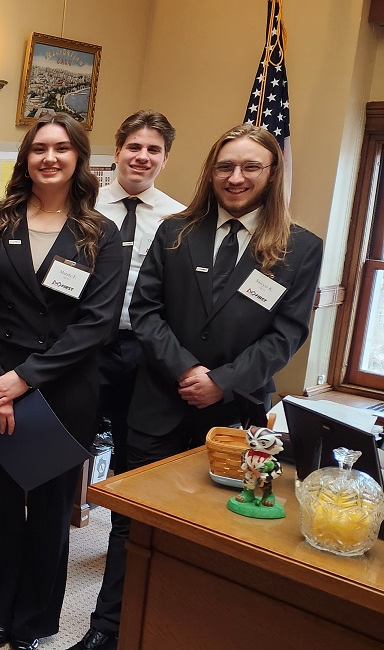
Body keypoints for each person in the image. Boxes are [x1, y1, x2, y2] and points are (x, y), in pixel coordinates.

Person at [108, 124, 322, 645]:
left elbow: (285, 336)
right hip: (158, 403)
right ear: (211, 171)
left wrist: (220, 382)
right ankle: (107, 629)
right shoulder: (177, 230)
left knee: (217, 535)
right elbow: (146, 311)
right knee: (131, 530)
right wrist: (186, 370)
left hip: (235, 418)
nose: (236, 177)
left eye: (251, 167)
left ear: (272, 175)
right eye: (226, 166)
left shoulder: (299, 247)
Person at [0, 112, 123, 650]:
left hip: (64, 389)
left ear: (78, 158)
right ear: (25, 158)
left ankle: (34, 621)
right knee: (0, 507)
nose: (49, 157)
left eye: (61, 148)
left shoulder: (101, 233)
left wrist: (23, 380)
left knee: (53, 513)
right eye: (39, 149)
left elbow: (96, 323)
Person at [68, 110, 183, 650]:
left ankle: (110, 610)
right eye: (133, 146)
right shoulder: (84, 205)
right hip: (85, 349)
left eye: (153, 150)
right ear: (116, 151)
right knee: (61, 460)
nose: (142, 157)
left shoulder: (180, 219)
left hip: (145, 353)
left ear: (165, 158)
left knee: (133, 473)